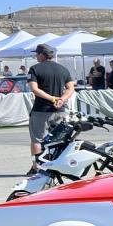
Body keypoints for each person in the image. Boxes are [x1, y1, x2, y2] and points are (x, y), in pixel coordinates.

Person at [27, 44, 75, 173]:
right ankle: (58, 164)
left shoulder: (35, 69)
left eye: (37, 54)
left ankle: (37, 166)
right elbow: (71, 88)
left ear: (42, 55)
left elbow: (34, 89)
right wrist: (61, 99)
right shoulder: (63, 69)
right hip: (60, 109)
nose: (36, 56)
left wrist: (51, 98)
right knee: (60, 138)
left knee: (37, 139)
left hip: (41, 109)